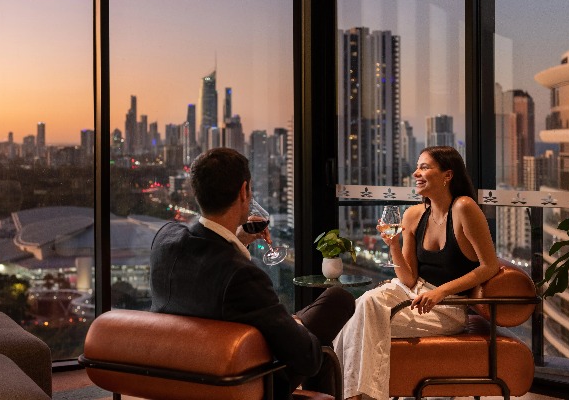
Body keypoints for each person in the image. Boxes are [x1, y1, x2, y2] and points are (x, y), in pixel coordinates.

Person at [150, 147, 356, 399]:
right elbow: (308, 360)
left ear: (197, 191)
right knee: (336, 305)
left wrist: (237, 242)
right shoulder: (241, 275)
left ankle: (293, 326)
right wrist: (297, 328)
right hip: (245, 380)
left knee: (315, 322)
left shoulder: (165, 240)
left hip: (180, 373)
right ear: (244, 191)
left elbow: (207, 269)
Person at [333, 146, 499, 400]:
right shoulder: (413, 215)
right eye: (417, 167)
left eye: (425, 167)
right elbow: (408, 278)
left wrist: (442, 292)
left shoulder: (464, 208)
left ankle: (342, 392)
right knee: (359, 309)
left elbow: (490, 266)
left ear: (447, 175)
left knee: (362, 311)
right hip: (411, 294)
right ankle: (353, 395)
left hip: (448, 308)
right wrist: (393, 245)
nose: (415, 173)